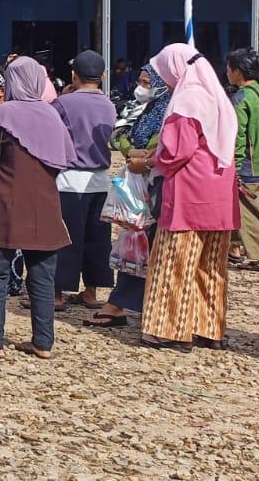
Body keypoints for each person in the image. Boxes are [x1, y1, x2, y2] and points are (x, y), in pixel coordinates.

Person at [0, 57, 77, 360]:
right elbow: (64, 158)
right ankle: (43, 342)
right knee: (42, 274)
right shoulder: (52, 115)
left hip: (8, 199)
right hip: (46, 201)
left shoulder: (2, 115)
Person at [132, 43, 239, 353]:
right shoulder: (216, 96)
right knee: (211, 266)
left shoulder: (186, 100)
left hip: (189, 193)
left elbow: (177, 151)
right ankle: (209, 328)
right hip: (220, 193)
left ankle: (171, 330)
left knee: (175, 262)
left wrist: (149, 162)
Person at [85, 63, 172, 329]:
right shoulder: (142, 108)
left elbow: (160, 148)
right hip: (137, 186)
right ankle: (124, 304)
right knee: (135, 244)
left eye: (147, 82)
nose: (141, 87)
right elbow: (119, 135)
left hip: (156, 187)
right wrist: (131, 150)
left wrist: (142, 156)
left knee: (144, 246)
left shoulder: (170, 112)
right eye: (141, 81)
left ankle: (120, 305)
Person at [51, 51, 118, 310]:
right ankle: (91, 292)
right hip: (100, 179)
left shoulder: (63, 103)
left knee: (65, 238)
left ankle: (57, 294)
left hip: (69, 179)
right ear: (103, 75)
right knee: (97, 240)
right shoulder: (109, 104)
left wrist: (63, 96)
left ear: (73, 75)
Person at [225, 48, 259, 273]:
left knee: (248, 212)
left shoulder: (241, 99)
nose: (226, 72)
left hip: (247, 165)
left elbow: (236, 136)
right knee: (236, 206)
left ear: (237, 71)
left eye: (229, 68)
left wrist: (234, 167)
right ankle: (234, 248)